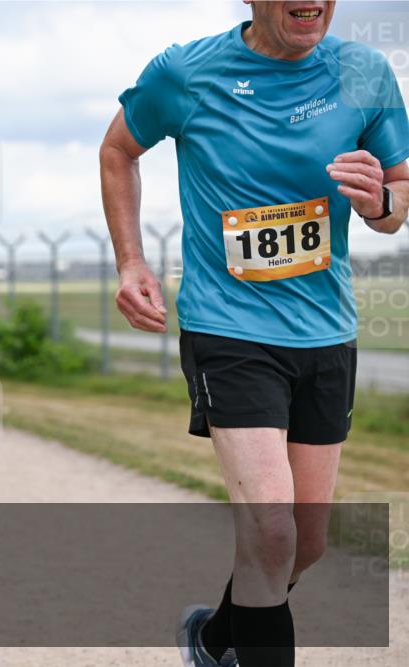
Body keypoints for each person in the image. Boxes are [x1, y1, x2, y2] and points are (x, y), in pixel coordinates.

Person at [99, 2, 408, 666]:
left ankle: (212, 638)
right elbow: (118, 150)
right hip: (228, 329)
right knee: (271, 529)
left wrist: (382, 201)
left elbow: (400, 192)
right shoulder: (186, 74)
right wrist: (131, 260)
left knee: (308, 541)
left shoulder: (365, 72)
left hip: (325, 331)